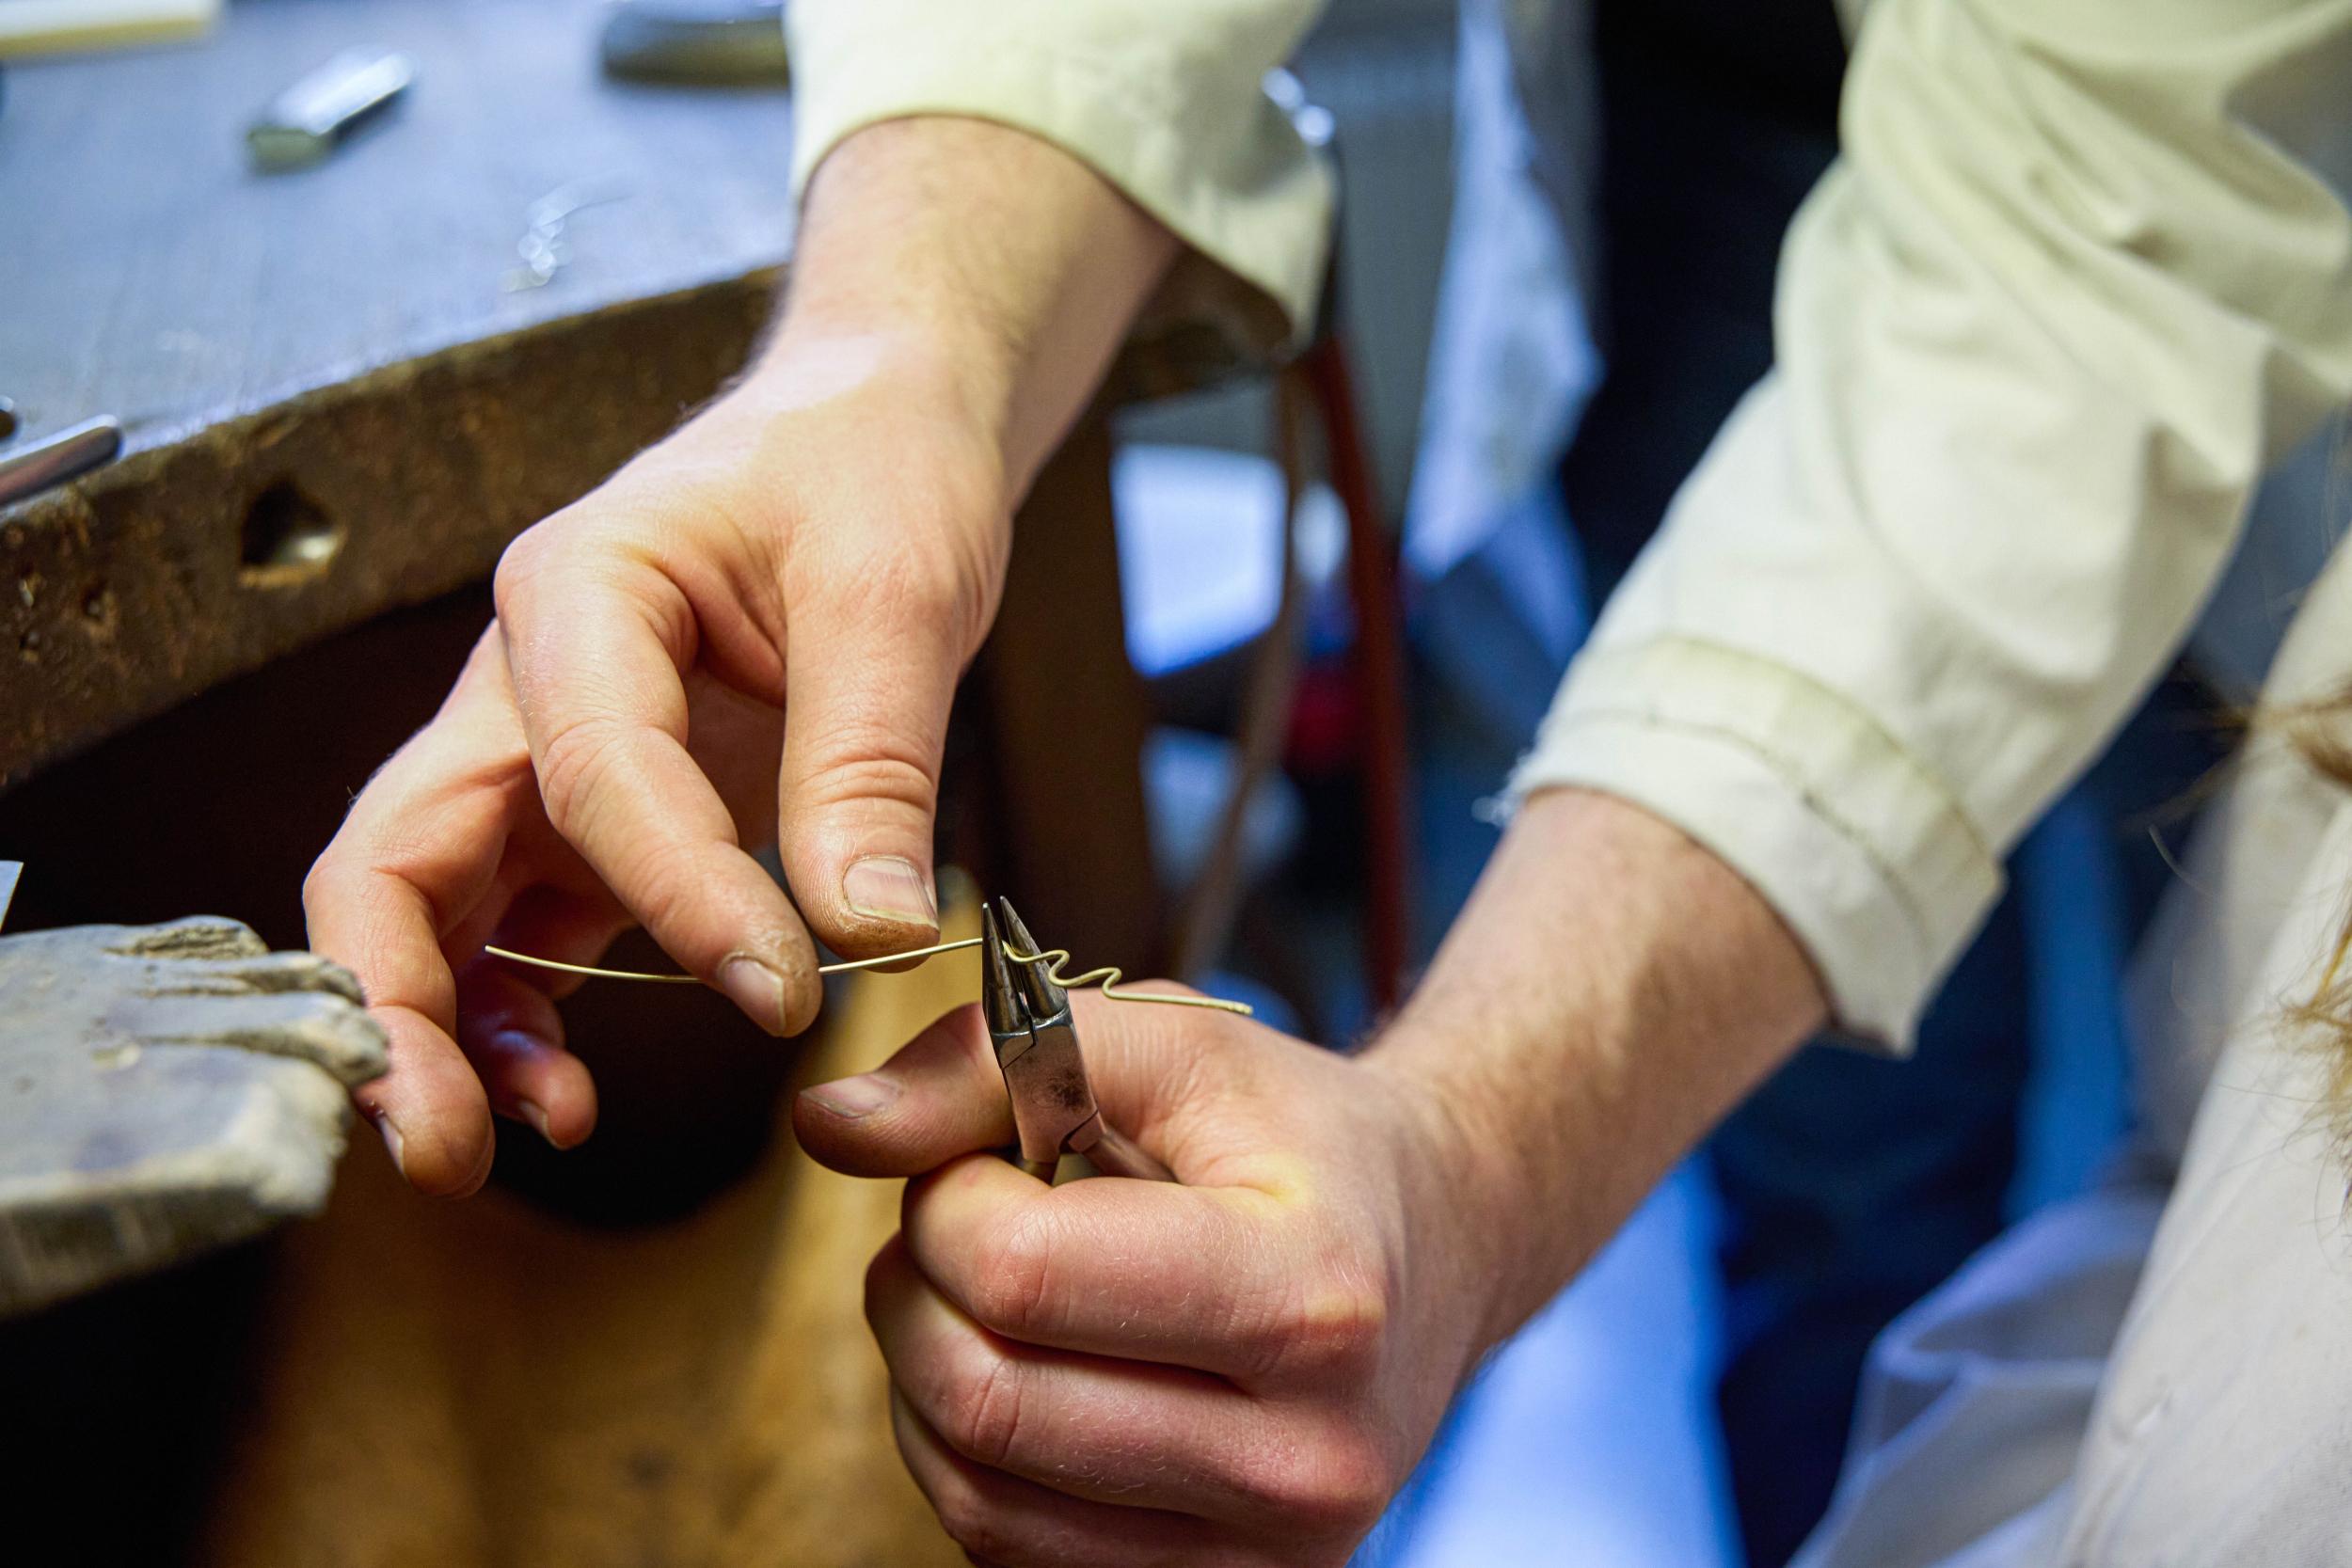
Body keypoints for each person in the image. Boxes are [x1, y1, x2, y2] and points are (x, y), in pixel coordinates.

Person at [302, 1, 2352, 1563]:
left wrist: (1472, 1162)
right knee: (1853, 1171)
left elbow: (2083, 236)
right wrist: (894, 347)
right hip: (1702, 102)